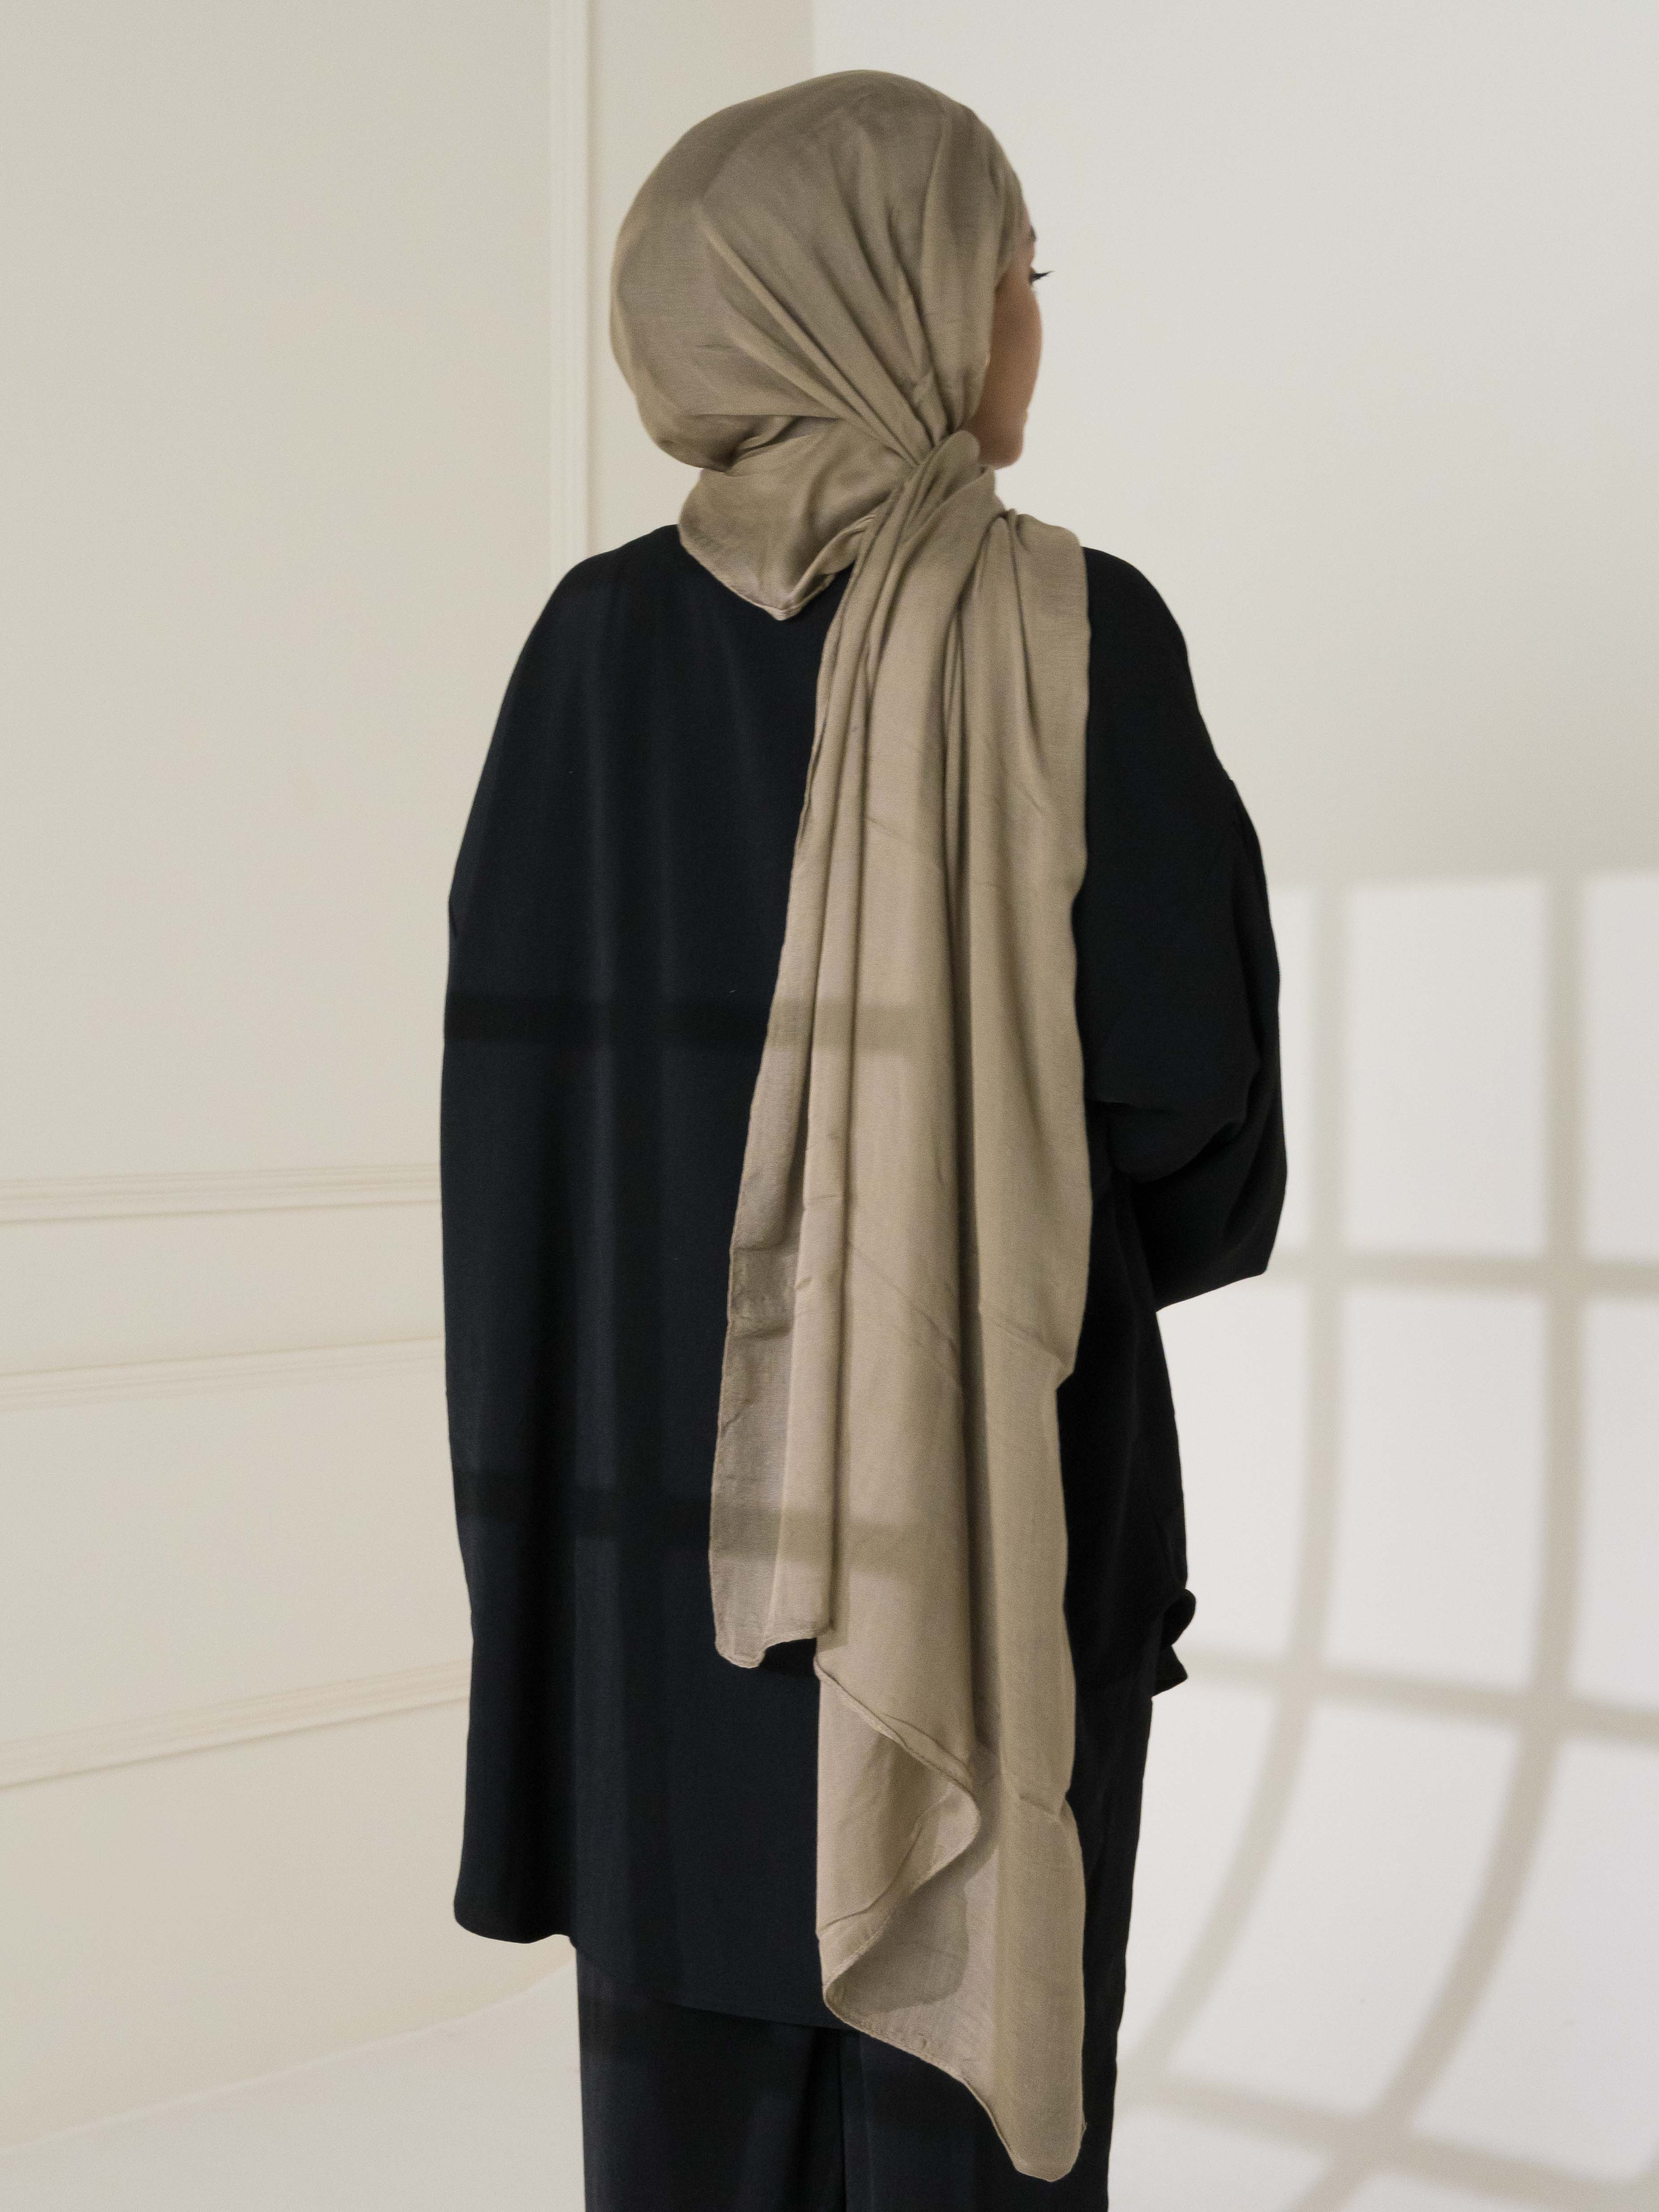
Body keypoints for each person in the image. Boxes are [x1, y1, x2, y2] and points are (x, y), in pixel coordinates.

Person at [441, 69, 1285, 2211]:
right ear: (892, 301)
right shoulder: (1074, 628)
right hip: (991, 1494)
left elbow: (515, 1134)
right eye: (1012, 274)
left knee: (688, 2129)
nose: (1028, 324)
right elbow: (1186, 1112)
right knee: (959, 2121)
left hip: (659, 1532)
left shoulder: (589, 650)